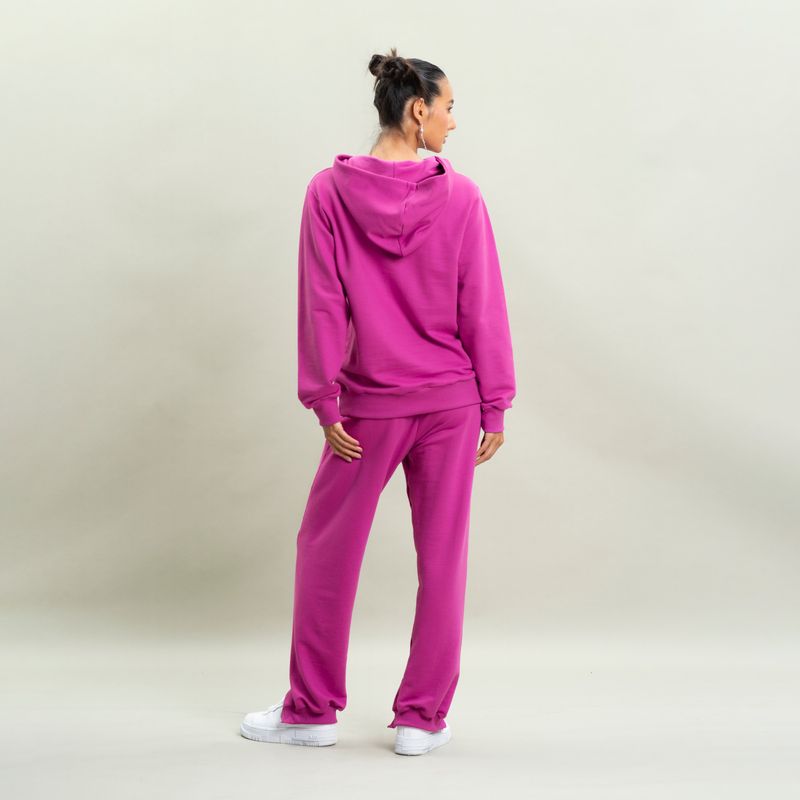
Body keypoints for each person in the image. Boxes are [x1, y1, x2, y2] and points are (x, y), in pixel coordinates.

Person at [240, 47, 516, 756]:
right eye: (449, 107)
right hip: (451, 403)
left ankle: (311, 711)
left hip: (368, 408)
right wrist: (494, 402)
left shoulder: (328, 193)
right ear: (418, 109)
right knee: (442, 558)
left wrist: (324, 400)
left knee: (326, 550)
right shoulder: (462, 197)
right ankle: (421, 720)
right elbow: (481, 305)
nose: (454, 122)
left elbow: (322, 302)